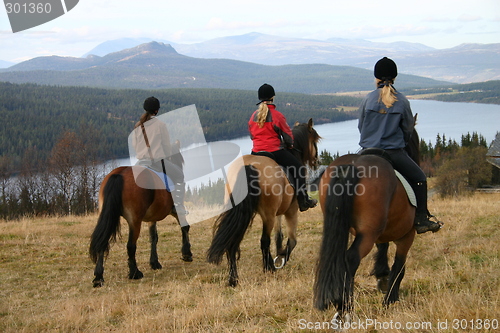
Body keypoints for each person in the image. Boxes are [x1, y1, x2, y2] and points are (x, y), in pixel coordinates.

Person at [358, 57, 442, 234]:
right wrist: (400, 144)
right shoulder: (402, 101)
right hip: (393, 153)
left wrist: (370, 141)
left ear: (376, 78)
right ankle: (421, 219)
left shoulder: (367, 99)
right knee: (419, 178)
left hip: (367, 152)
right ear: (394, 77)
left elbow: (361, 126)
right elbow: (407, 130)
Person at [248, 83, 317, 212]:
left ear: (259, 98)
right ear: (273, 97)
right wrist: (289, 145)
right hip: (275, 151)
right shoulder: (277, 115)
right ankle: (303, 200)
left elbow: (252, 136)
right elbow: (289, 137)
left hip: (256, 152)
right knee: (299, 169)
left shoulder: (253, 116)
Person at [132, 96, 188, 224]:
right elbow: (167, 147)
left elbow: (135, 146)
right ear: (156, 111)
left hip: (140, 163)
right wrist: (167, 153)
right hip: (156, 162)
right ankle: (177, 206)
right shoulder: (160, 125)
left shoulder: (137, 126)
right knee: (179, 175)